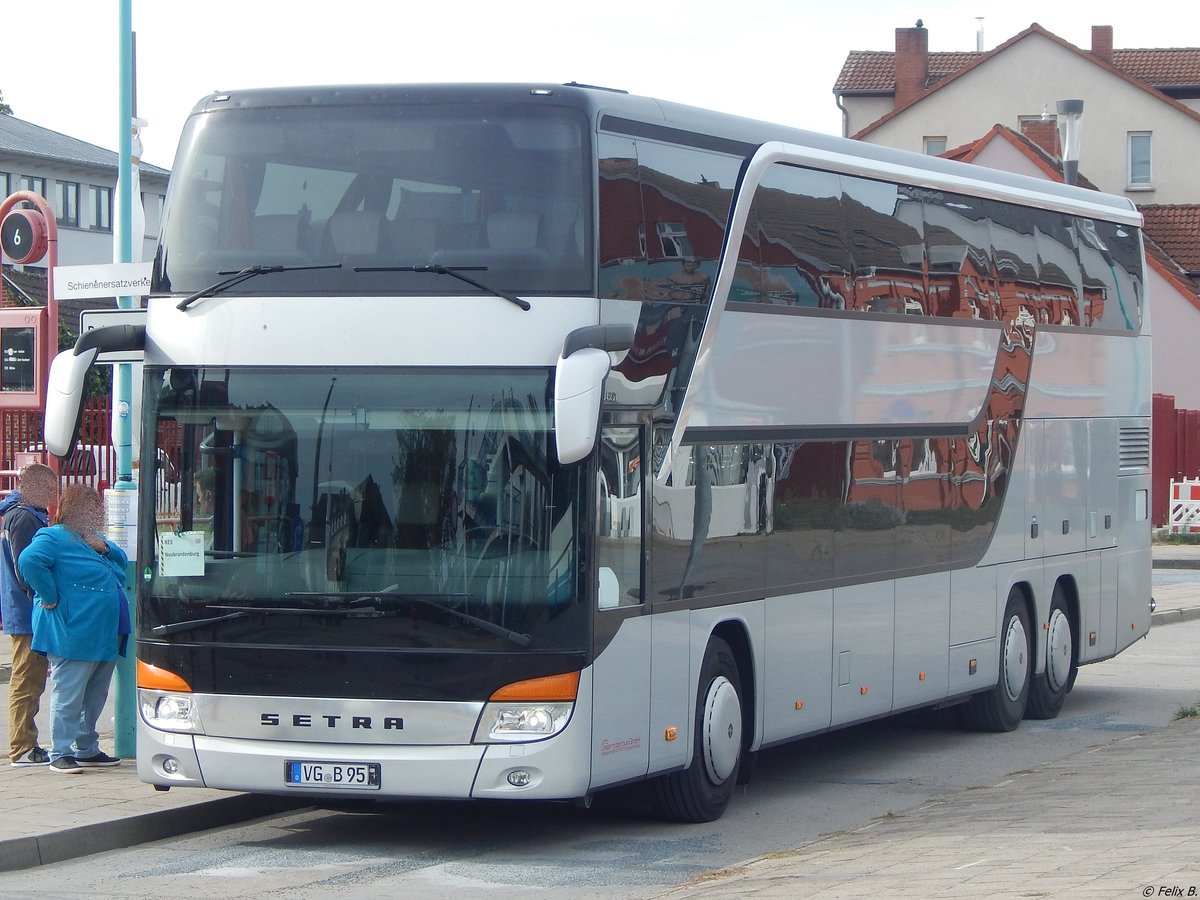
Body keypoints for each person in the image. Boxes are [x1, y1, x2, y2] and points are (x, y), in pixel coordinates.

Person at [19, 484, 129, 774]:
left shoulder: (93, 538)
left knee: (95, 694)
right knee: (69, 693)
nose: (95, 513)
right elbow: (29, 561)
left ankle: (87, 747)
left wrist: (105, 548)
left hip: (103, 630)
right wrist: (49, 595)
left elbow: (122, 560)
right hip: (73, 629)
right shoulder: (54, 536)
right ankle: (61, 752)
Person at [0, 464, 60, 767]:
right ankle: (23, 747)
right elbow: (26, 568)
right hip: (27, 611)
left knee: (30, 679)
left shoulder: (21, 513)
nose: (52, 495)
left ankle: (25, 744)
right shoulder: (24, 517)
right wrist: (45, 595)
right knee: (27, 680)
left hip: (22, 609)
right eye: (49, 488)